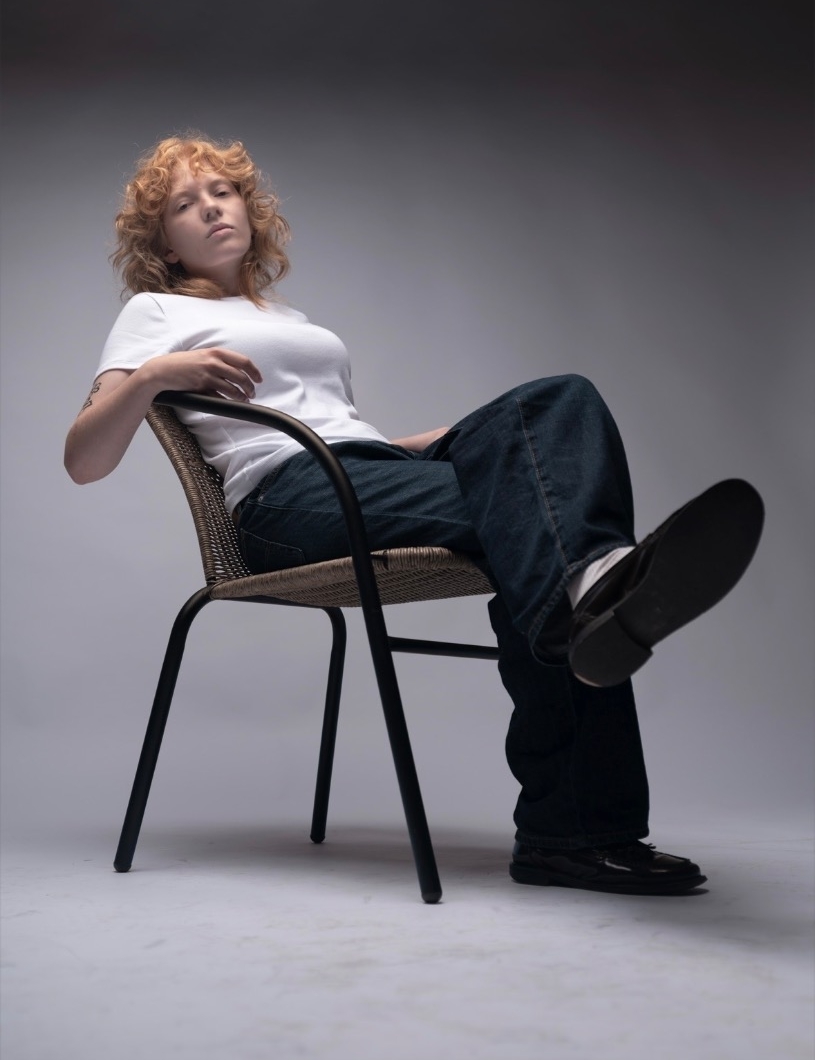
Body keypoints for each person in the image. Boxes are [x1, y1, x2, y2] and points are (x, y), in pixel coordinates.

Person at [65, 134, 764, 896]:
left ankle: (587, 610)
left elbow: (345, 432)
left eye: (221, 191)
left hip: (365, 472)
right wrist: (157, 373)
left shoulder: (288, 316)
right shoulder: (155, 312)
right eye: (183, 204)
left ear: (247, 206)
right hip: (287, 501)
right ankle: (577, 800)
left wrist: (474, 441)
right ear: (165, 243)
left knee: (559, 405)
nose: (209, 208)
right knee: (544, 529)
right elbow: (84, 459)